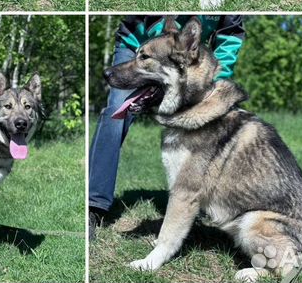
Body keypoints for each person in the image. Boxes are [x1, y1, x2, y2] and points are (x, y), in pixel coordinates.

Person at [88, 15, 245, 239]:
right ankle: (93, 206)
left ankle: (215, 201)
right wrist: (161, 43)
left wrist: (217, 78)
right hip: (140, 43)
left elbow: (230, 32)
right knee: (116, 113)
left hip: (186, 59)